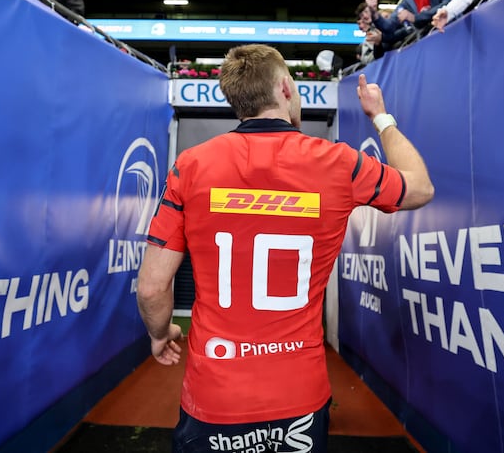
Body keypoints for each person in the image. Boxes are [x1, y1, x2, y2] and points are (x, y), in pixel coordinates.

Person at [137, 43, 434, 453]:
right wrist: (380, 117)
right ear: (285, 89)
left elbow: (152, 287)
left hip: (214, 396)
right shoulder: (339, 163)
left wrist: (160, 333)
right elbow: (419, 187)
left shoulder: (191, 165)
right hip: (298, 396)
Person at [354, 1, 384, 67]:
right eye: (362, 15)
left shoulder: (384, 24)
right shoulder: (368, 38)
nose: (364, 16)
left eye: (366, 12)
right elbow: (366, 61)